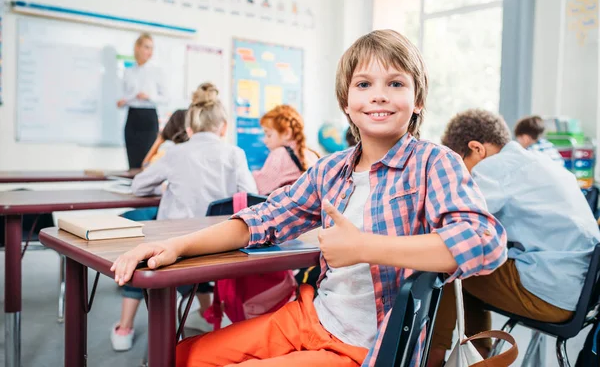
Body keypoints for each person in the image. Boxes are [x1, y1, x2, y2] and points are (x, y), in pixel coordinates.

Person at [111, 29, 507, 367]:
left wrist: (366, 247)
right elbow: (261, 219)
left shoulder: (434, 163)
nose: (379, 96)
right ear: (346, 103)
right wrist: (176, 244)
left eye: (396, 84)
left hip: (363, 348)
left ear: (418, 100)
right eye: (364, 84)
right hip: (311, 315)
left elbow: (484, 242)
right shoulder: (331, 169)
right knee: (184, 356)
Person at [429, 109, 600, 366]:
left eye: (461, 168)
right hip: (583, 295)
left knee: (450, 264)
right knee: (472, 270)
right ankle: (477, 358)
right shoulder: (538, 162)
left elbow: (458, 219)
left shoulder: (494, 168)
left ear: (476, 149)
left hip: (550, 293)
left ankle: (433, 359)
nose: (464, 178)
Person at [110, 84, 257, 351]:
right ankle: (206, 314)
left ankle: (124, 327)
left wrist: (166, 186)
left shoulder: (176, 153)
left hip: (170, 247)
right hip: (216, 245)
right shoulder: (235, 154)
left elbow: (138, 186)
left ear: (189, 129)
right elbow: (250, 196)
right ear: (223, 127)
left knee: (141, 252)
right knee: (192, 265)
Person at [117, 33, 166, 169]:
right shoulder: (128, 71)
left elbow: (166, 98)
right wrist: (123, 102)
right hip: (133, 117)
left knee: (147, 163)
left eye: (151, 48)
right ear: (137, 48)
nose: (149, 52)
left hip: (149, 118)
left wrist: (149, 97)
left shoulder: (156, 71)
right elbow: (125, 96)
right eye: (146, 47)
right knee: (133, 162)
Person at [252, 105, 320, 195]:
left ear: (287, 133)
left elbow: (259, 187)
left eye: (268, 135)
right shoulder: (312, 154)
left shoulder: (280, 154)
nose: (265, 140)